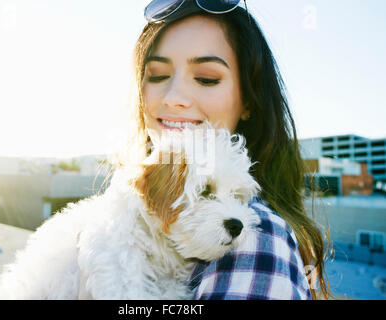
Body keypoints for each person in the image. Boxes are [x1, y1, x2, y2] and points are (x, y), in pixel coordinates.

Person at [112, 0, 331, 300]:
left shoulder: (253, 238)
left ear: (249, 102)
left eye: (206, 78)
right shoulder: (122, 217)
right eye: (158, 75)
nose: (174, 97)